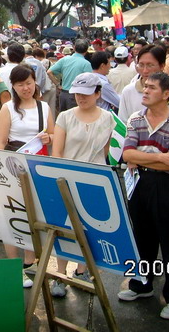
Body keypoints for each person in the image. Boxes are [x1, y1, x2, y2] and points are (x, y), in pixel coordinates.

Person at [119, 72, 169, 320]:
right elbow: (127, 154)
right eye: (145, 86)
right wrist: (161, 157)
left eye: (151, 88)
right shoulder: (136, 118)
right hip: (140, 182)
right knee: (142, 237)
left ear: (166, 94)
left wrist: (143, 158)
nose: (145, 91)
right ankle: (142, 285)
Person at [50, 73, 116, 297]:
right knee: (63, 226)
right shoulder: (65, 117)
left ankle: (82, 271)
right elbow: (57, 152)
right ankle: (60, 275)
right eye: (77, 93)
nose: (81, 98)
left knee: (90, 227)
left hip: (94, 181)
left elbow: (106, 151)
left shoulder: (108, 119)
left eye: (86, 93)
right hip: (66, 180)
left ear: (98, 93)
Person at [0, 65, 54, 288]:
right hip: (12, 165)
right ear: (13, 86)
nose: (26, 88)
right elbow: (1, 142)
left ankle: (30, 261)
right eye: (20, 84)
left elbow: (53, 133)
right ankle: (13, 265)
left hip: (37, 165)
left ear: (35, 82)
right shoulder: (8, 108)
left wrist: (49, 137)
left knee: (34, 214)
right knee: (11, 213)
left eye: (29, 83)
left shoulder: (44, 107)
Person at [118, 45, 169, 124]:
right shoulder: (128, 91)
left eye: (150, 65)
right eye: (141, 65)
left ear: (162, 66)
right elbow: (123, 123)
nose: (145, 71)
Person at [48, 38, 92, 112]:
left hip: (63, 94)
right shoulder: (86, 64)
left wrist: (58, 85)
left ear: (74, 48)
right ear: (86, 50)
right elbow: (90, 82)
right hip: (76, 95)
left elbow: (49, 72)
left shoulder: (64, 59)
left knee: (63, 117)